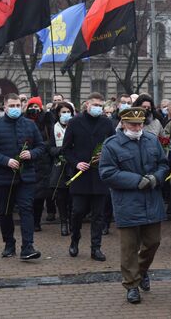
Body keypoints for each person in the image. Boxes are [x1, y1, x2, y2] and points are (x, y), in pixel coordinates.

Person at [99, 107, 169, 304]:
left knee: (153, 242)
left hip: (152, 200)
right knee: (129, 247)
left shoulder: (151, 140)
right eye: (133, 124)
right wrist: (137, 180)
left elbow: (164, 164)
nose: (137, 127)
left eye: (140, 124)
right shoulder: (112, 145)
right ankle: (131, 285)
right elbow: (107, 172)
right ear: (123, 123)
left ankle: (140, 271)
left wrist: (155, 178)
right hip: (127, 203)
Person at [0, 93, 45, 260]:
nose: (15, 109)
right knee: (6, 211)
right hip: (4, 177)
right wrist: (6, 161)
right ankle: (9, 243)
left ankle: (28, 246)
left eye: (18, 106)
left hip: (26, 176)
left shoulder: (30, 125)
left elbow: (41, 146)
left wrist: (31, 154)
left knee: (26, 209)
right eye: (12, 106)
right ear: (4, 107)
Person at [63, 92, 114, 261]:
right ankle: (75, 240)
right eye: (95, 105)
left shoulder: (107, 123)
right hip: (81, 175)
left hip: (100, 175)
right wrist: (76, 163)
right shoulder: (75, 122)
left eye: (100, 105)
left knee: (98, 215)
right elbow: (66, 149)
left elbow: (114, 145)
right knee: (77, 211)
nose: (98, 108)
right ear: (87, 105)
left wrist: (106, 157)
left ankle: (96, 247)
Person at [24, 96, 53, 231]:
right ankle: (28, 220)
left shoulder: (47, 120)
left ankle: (36, 222)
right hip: (27, 160)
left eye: (36, 106)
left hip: (42, 161)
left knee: (40, 195)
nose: (33, 109)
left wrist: (39, 148)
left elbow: (50, 139)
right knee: (27, 194)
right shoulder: (24, 120)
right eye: (31, 106)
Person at [49, 102, 75, 236]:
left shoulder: (76, 126)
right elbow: (50, 148)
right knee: (61, 196)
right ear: (58, 113)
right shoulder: (54, 128)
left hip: (73, 167)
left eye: (68, 112)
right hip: (59, 166)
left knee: (72, 197)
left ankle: (71, 221)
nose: (66, 114)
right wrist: (61, 151)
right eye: (63, 112)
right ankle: (63, 222)